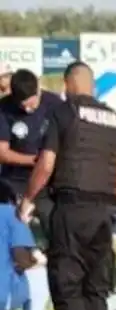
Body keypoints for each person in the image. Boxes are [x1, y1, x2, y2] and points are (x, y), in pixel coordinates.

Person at [17, 61, 116, 310]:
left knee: (65, 280)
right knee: (96, 283)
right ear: (92, 86)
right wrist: (110, 204)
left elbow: (46, 164)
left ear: (68, 85)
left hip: (72, 207)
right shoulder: (113, 119)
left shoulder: (63, 114)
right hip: (103, 212)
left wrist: (28, 199)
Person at [0, 69, 63, 246]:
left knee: (57, 236)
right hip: (13, 182)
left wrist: (46, 166)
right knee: (11, 239)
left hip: (47, 184)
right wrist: (35, 161)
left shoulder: (56, 105)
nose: (27, 109)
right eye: (22, 106)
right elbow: (2, 152)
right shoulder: (4, 109)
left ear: (38, 90)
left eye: (31, 104)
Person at [0, 179, 51, 310]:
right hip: (4, 298)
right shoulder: (11, 215)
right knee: (39, 273)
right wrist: (40, 260)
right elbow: (22, 260)